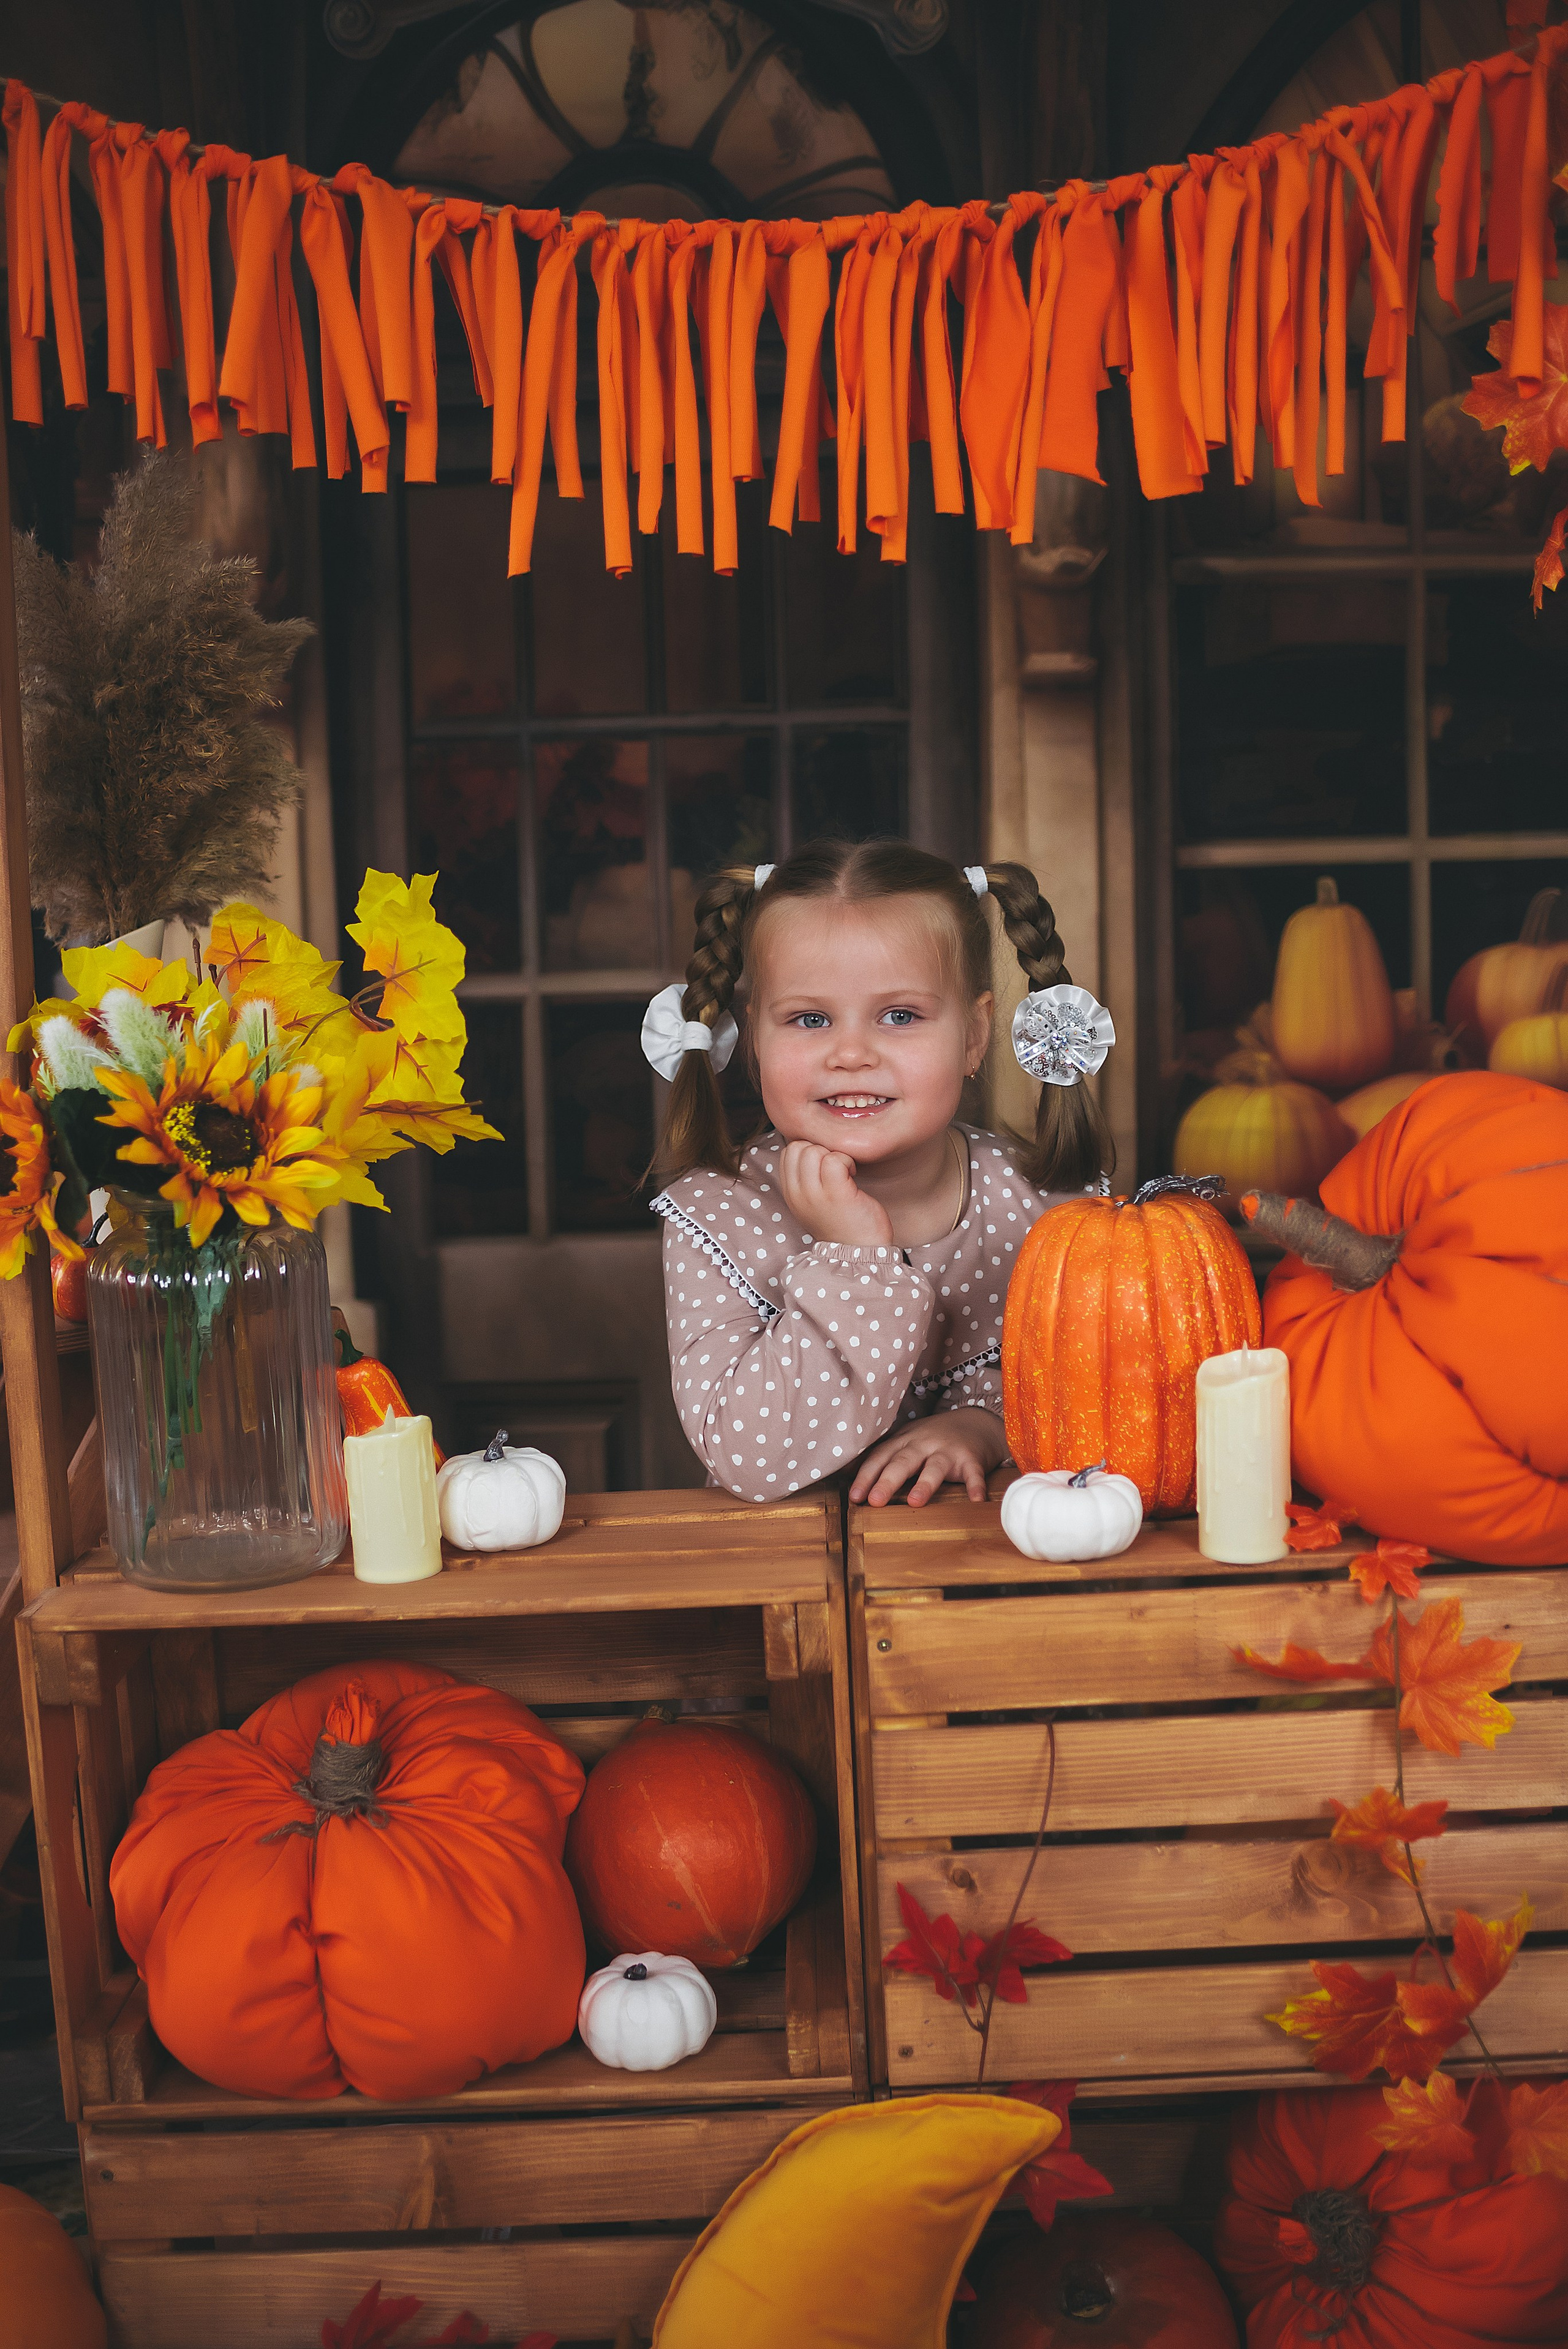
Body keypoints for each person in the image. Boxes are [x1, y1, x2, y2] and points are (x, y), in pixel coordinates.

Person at [643, 839, 1115, 1507]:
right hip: (798, 1579)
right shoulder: (718, 1219)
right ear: (755, 1036)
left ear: (975, 1035)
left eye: (900, 1016)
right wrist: (853, 1259)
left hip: (992, 1570)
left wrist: (982, 1425)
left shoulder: (1047, 1209)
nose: (851, 1053)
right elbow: (750, 1460)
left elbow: (1096, 1396)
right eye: (810, 1019)